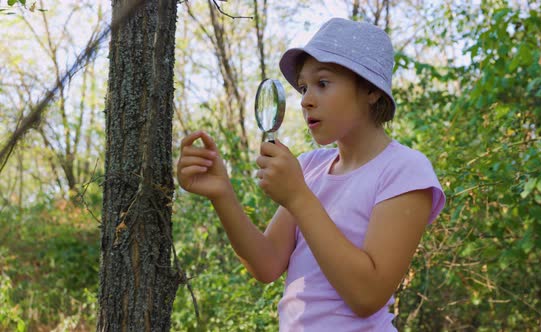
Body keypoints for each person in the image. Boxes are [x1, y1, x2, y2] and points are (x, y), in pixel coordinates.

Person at [177, 17, 445, 331]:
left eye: (323, 83)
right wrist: (221, 192)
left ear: (371, 90)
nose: (305, 100)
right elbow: (267, 264)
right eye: (304, 87)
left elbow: (367, 295)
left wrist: (298, 196)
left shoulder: (404, 169)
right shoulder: (310, 167)